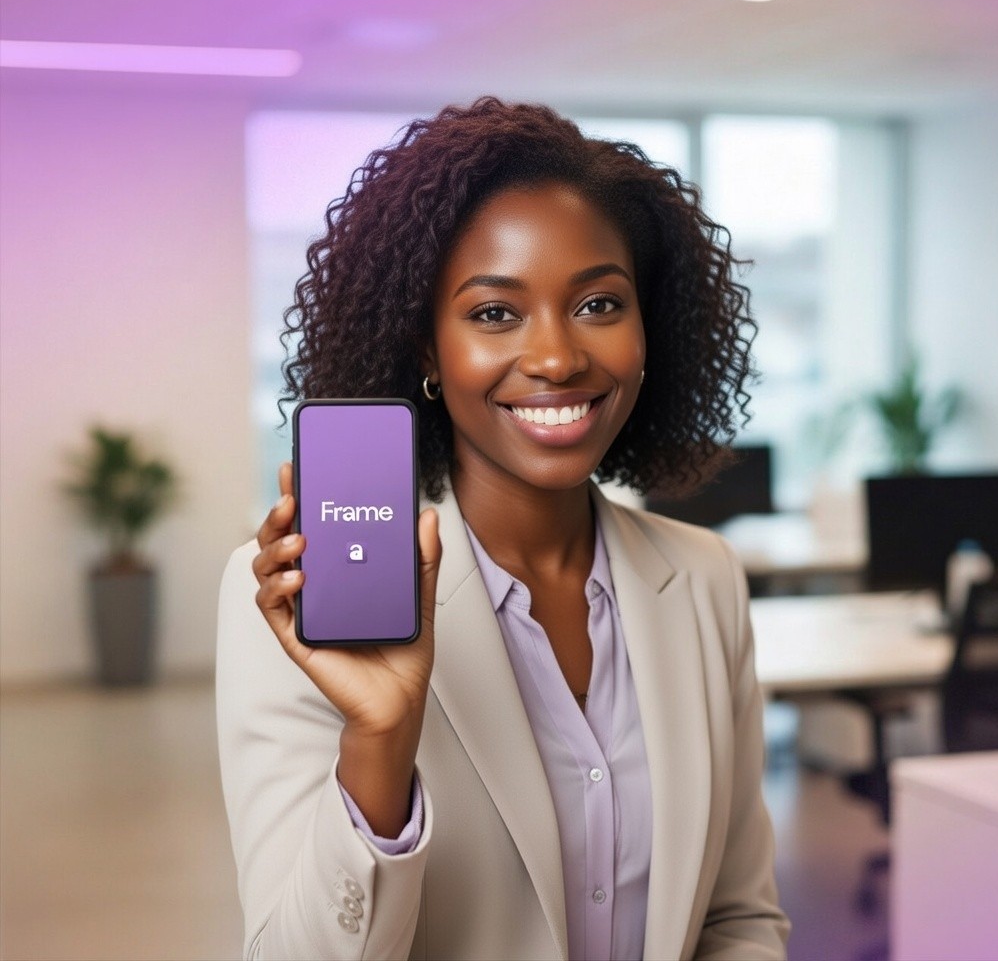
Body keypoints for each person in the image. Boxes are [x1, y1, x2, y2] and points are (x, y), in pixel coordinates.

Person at [217, 97, 789, 961]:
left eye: (599, 304)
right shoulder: (301, 598)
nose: (558, 357)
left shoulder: (705, 578)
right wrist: (380, 742)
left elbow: (736, 919)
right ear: (425, 350)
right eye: (494, 313)